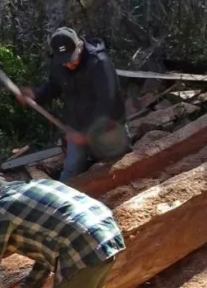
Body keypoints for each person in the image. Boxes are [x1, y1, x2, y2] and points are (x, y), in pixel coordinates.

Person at [17, 27, 130, 182]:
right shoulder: (59, 63)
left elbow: (107, 102)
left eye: (72, 58)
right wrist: (36, 94)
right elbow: (55, 86)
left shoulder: (99, 63)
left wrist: (87, 134)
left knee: (121, 166)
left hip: (108, 128)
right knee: (71, 172)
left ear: (79, 46)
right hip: (77, 128)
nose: (68, 64)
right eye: (64, 61)